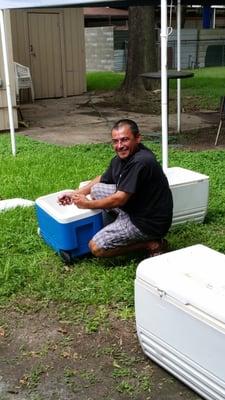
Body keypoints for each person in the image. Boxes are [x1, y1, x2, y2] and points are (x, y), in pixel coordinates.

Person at [58, 119, 173, 258]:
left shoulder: (142, 161)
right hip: (135, 205)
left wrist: (87, 204)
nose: (119, 146)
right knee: (96, 189)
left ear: (137, 138)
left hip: (147, 222)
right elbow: (103, 178)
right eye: (115, 141)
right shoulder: (122, 158)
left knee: (96, 247)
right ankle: (119, 225)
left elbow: (119, 199)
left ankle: (151, 243)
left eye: (124, 140)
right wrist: (75, 193)